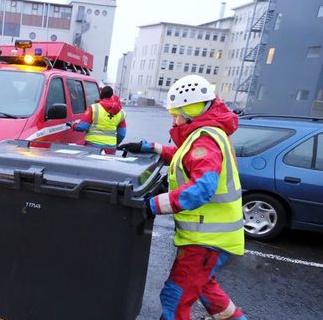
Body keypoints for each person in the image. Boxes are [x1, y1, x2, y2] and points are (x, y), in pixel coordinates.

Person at [119, 75, 247, 320]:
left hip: (207, 240)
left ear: (190, 111)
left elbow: (202, 187)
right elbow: (186, 157)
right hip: (215, 237)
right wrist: (151, 147)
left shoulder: (206, 139)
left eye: (176, 114)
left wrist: (151, 205)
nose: (174, 120)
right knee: (205, 288)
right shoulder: (209, 133)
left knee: (175, 297)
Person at [68, 85, 127, 154]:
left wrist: (73, 125)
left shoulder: (94, 108)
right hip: (110, 147)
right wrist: (115, 143)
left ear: (101, 95)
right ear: (111, 95)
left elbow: (83, 127)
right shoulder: (120, 113)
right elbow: (122, 134)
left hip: (93, 145)